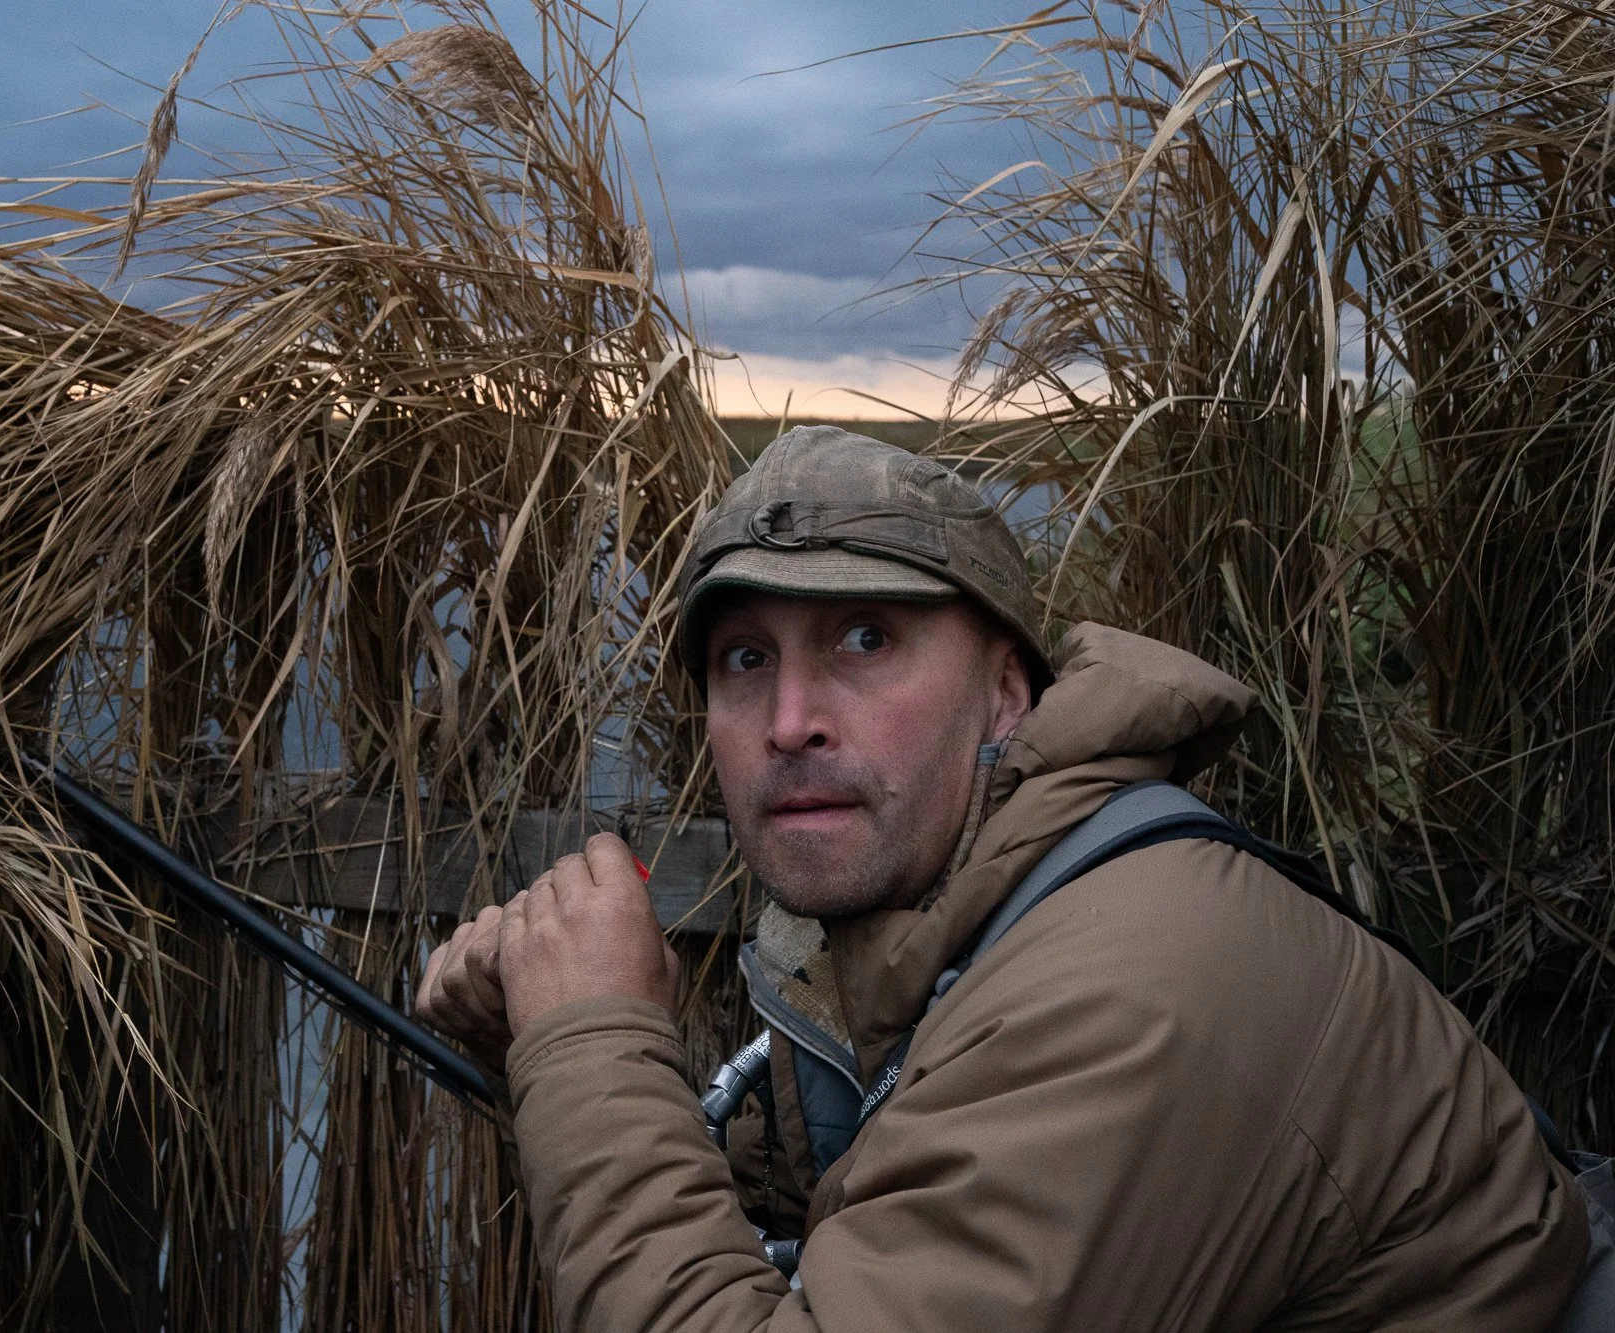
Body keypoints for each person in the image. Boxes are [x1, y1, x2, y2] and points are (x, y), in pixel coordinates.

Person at [416, 425, 1590, 1330]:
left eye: (864, 638)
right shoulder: (963, 919)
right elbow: (870, 1202)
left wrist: (592, 1038)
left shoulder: (1131, 986)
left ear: (1008, 691)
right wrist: (547, 1045)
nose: (787, 721)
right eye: (741, 660)